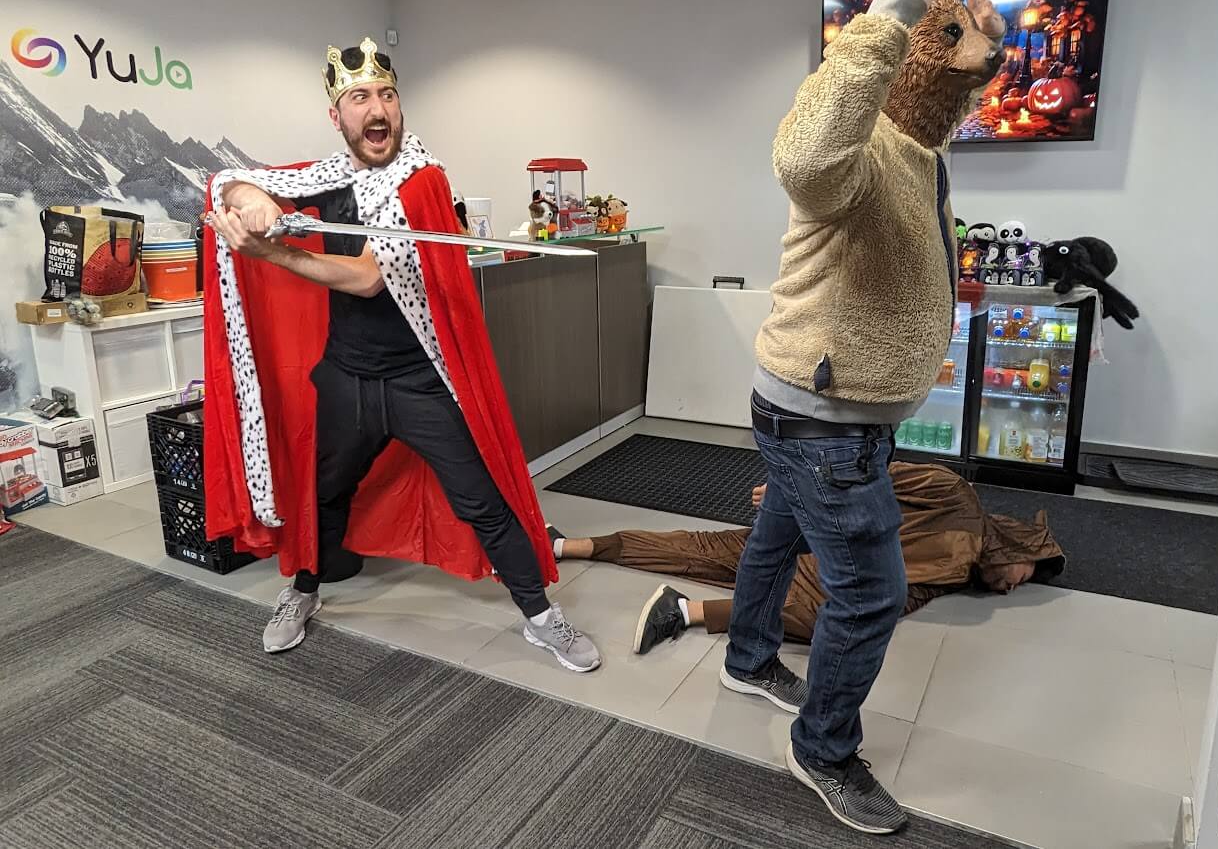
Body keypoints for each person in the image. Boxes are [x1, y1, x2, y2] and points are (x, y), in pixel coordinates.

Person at [726, 0, 1007, 835]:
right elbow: (802, 152)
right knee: (871, 592)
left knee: (774, 534)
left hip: (830, 407)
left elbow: (934, 114)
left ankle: (745, 655)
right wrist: (886, 11)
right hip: (822, 415)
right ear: (910, 64)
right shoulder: (851, 156)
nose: (966, 75)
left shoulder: (922, 150)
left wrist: (977, 52)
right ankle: (823, 748)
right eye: (955, 60)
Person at [204, 37, 599, 673]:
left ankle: (541, 616)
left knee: (481, 499)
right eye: (359, 98)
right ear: (338, 116)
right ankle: (304, 592)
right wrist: (254, 201)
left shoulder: (421, 183)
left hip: (419, 377)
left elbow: (366, 277)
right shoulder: (330, 176)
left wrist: (273, 253)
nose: (377, 108)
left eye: (387, 94)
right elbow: (231, 180)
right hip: (346, 377)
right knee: (324, 492)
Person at [548, 462, 1064, 656]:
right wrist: (791, 489)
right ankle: (566, 545)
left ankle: (684, 612)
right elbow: (871, 471)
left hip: (829, 568)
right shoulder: (957, 493)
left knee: (823, 621)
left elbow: (895, 600)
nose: (1016, 585)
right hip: (815, 532)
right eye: (1026, 574)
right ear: (1021, 547)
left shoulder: (955, 575)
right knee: (704, 548)